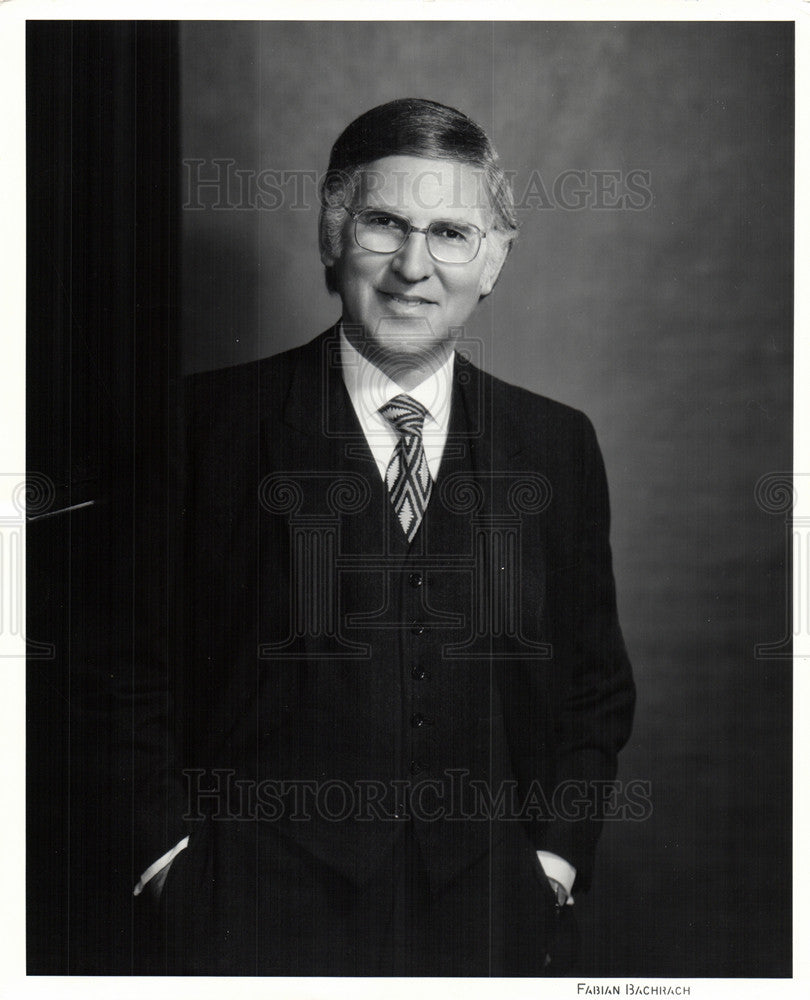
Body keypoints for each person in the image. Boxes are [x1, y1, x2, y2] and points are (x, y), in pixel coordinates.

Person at [131, 97, 635, 977]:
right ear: (333, 236)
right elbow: (116, 669)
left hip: (488, 917)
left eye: (451, 233)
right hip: (250, 916)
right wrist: (168, 861)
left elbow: (593, 687)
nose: (413, 265)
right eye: (383, 223)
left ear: (495, 260)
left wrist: (554, 860)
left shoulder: (558, 442)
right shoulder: (201, 428)